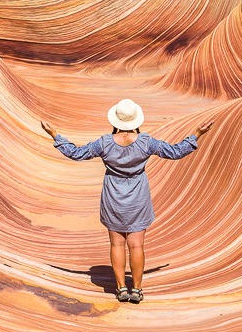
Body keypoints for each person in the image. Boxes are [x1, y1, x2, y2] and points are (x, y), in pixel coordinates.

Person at [41, 99, 213, 304]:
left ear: (116, 119)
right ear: (135, 119)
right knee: (137, 245)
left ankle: (121, 288)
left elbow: (77, 154)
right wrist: (197, 134)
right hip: (138, 197)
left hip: (113, 196)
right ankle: (137, 290)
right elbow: (175, 152)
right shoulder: (146, 142)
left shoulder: (104, 142)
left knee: (116, 244)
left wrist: (54, 134)